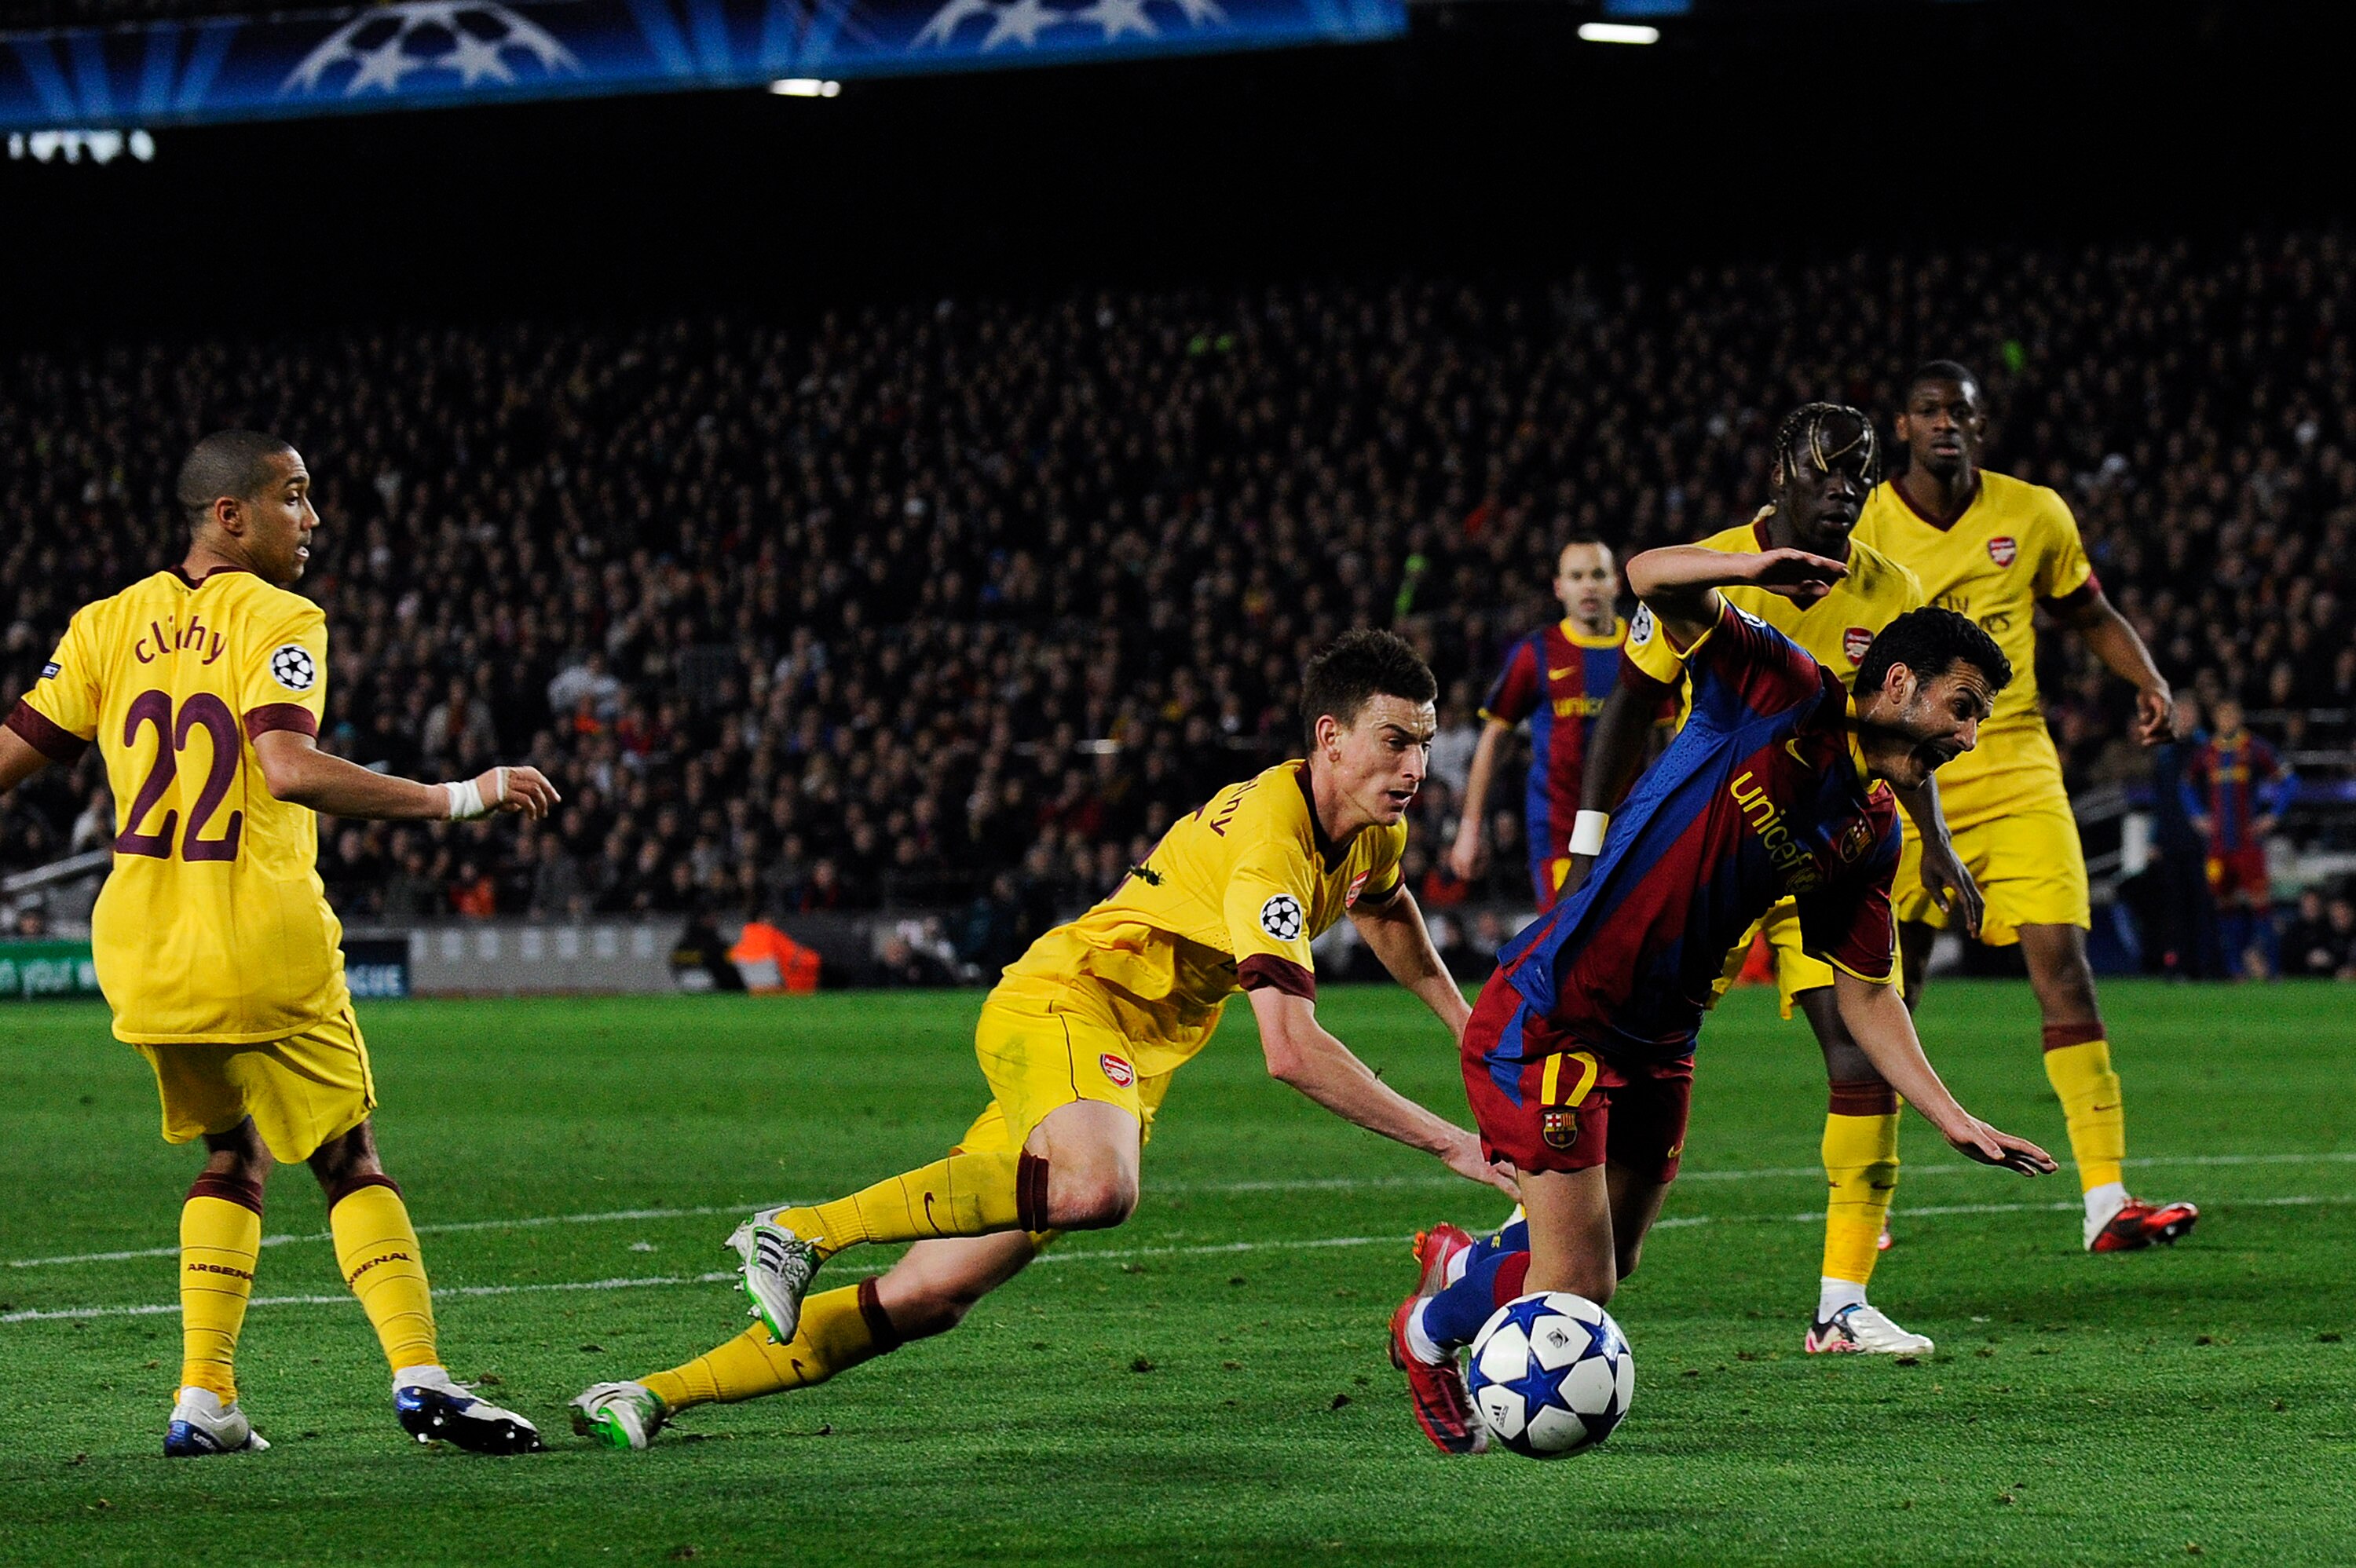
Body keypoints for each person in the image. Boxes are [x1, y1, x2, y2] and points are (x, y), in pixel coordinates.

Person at [572, 630, 1514, 1449]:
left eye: (1425, 745)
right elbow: (1290, 1048)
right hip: (1068, 1003)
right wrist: (1452, 1142)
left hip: (1117, 1064)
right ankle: (799, 1229)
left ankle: (652, 1393)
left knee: (928, 1297)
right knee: (1098, 1187)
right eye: (1395, 742)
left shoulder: (1366, 831)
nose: (1416, 769)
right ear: (1330, 738)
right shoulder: (1269, 840)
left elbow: (1387, 911)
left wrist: (1471, 1036)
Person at [1388, 545, 2055, 1455]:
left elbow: (1867, 995)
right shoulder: (1785, 687)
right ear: (1898, 683)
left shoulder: (1869, 832)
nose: (1969, 737)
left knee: (1614, 1261)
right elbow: (1649, 574)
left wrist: (1952, 1116)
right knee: (1578, 1283)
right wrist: (1755, 563)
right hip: (1557, 1012)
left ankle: (1463, 1264)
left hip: (1663, 1043)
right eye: (1964, 708)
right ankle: (1424, 1335)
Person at [0, 430, 560, 1458]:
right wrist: (459, 796)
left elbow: (9, 759)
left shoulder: (102, 623)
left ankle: (205, 1399)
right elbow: (288, 767)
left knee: (231, 1151)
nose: (312, 519)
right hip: (260, 937)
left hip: (144, 955)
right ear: (231, 515)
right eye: (294, 497)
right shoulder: (281, 615)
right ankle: (424, 1379)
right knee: (348, 1157)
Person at [1548, 404, 1978, 1355]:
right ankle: (1523, 1249)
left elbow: (1906, 737)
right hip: (1715, 846)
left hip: (1825, 856)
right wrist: (1586, 848)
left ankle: (1843, 1301)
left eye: (1862, 480)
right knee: (1614, 1063)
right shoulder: (1711, 565)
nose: (1847, 494)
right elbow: (1631, 702)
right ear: (1783, 471)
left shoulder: (1890, 585)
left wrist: (1936, 841)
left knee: (1864, 1048)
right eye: (1830, 474)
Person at [1853, 360, 2197, 1252]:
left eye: (1960, 411)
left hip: (2014, 765)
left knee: (2065, 963)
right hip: (1905, 768)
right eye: (1929, 410)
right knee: (1894, 984)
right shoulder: (1870, 523)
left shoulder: (2034, 511)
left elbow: (2091, 613)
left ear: (1980, 422)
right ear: (1902, 423)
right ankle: (1868, 1205)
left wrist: (2149, 677)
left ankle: (2106, 1199)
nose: (1946, 424)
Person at [1448, 539, 1629, 910]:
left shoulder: (1643, 648)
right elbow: (1494, 736)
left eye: (1598, 574)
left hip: (1630, 824)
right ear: (1559, 587)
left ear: (1616, 583)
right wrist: (1470, 827)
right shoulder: (1538, 653)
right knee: (1569, 941)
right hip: (1558, 829)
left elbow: (1668, 735)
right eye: (1577, 576)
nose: (1589, 585)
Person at [2185, 697, 2295, 978]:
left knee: (2261, 903)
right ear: (2216, 718)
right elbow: (2185, 786)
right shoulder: (2207, 752)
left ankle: (2273, 970)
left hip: (2249, 844)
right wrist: (2197, 815)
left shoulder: (2256, 749)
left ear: (2240, 716)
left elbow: (2290, 782)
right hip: (2219, 845)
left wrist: (2273, 815)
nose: (2228, 720)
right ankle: (2235, 970)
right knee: (2224, 904)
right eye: (2223, 715)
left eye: (2232, 714)